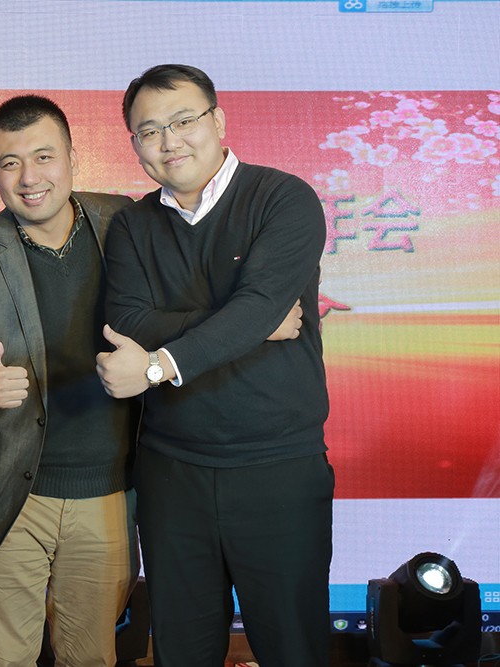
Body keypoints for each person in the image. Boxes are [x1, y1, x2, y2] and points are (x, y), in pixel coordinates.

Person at [96, 64, 333, 666]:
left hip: (278, 468)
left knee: (293, 648)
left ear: (218, 121)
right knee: (181, 650)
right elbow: (129, 320)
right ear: (135, 144)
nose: (169, 141)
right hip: (172, 472)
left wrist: (158, 365)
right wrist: (250, 323)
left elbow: (257, 303)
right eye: (149, 130)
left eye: (184, 121)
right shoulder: (132, 225)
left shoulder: (283, 198)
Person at [0, 95, 139, 667]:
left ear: (73, 157)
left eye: (44, 157)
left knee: (91, 657)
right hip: (8, 493)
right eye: (10, 163)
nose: (29, 178)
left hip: (109, 493)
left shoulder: (125, 220)